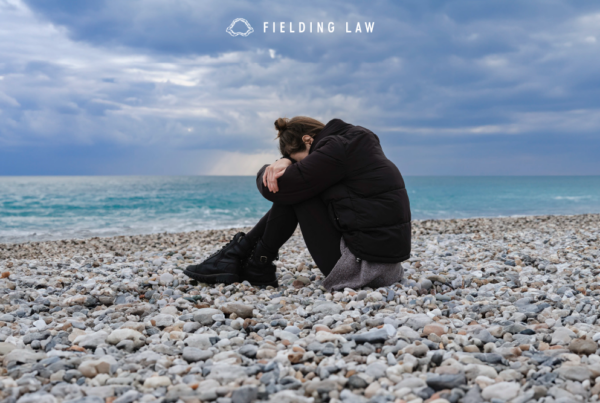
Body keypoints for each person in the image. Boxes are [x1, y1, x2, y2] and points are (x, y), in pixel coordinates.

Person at [184, 116, 411, 291]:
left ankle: (245, 260)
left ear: (308, 140)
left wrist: (271, 168)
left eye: (298, 160)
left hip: (365, 269)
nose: (301, 164)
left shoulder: (336, 149)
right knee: (300, 189)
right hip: (387, 266)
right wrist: (286, 160)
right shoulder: (352, 142)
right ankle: (249, 262)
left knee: (298, 193)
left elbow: (280, 188)